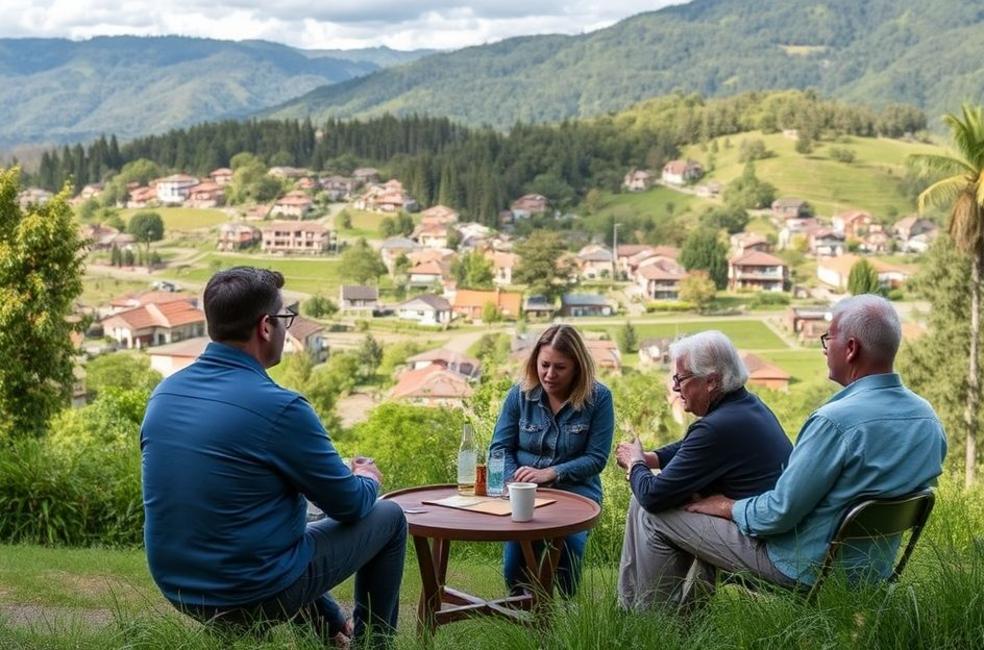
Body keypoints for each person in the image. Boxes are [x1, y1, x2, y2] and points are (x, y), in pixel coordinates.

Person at [622, 294, 947, 610]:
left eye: (827, 338)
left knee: (651, 509)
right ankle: (686, 616)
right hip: (870, 574)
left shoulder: (834, 423)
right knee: (697, 502)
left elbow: (779, 513)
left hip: (803, 568)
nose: (823, 349)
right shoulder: (928, 419)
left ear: (850, 349)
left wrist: (725, 505)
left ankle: (648, 619)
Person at [141, 267, 406, 647]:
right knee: (389, 516)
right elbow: (349, 505)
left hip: (178, 585)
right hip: (247, 593)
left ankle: (329, 630)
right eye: (285, 319)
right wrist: (367, 477)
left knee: (287, 527)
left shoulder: (165, 394)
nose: (286, 329)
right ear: (266, 326)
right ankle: (374, 645)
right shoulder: (281, 408)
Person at [616, 330, 793, 608]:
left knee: (650, 508)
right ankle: (629, 606)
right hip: (767, 530)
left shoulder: (718, 426)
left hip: (765, 546)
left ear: (710, 381)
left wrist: (636, 463)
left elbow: (654, 496)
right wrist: (651, 458)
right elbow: (691, 446)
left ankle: (652, 618)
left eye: (681, 379)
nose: (675, 388)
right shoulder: (745, 406)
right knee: (646, 495)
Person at [488, 324, 614, 596]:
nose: (549, 374)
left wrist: (552, 473)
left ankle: (568, 615)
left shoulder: (599, 398)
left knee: (568, 550)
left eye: (560, 367)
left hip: (576, 492)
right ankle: (523, 620)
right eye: (544, 365)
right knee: (515, 569)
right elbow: (499, 449)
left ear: (577, 367)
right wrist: (514, 482)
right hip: (523, 493)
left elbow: (596, 459)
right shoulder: (519, 395)